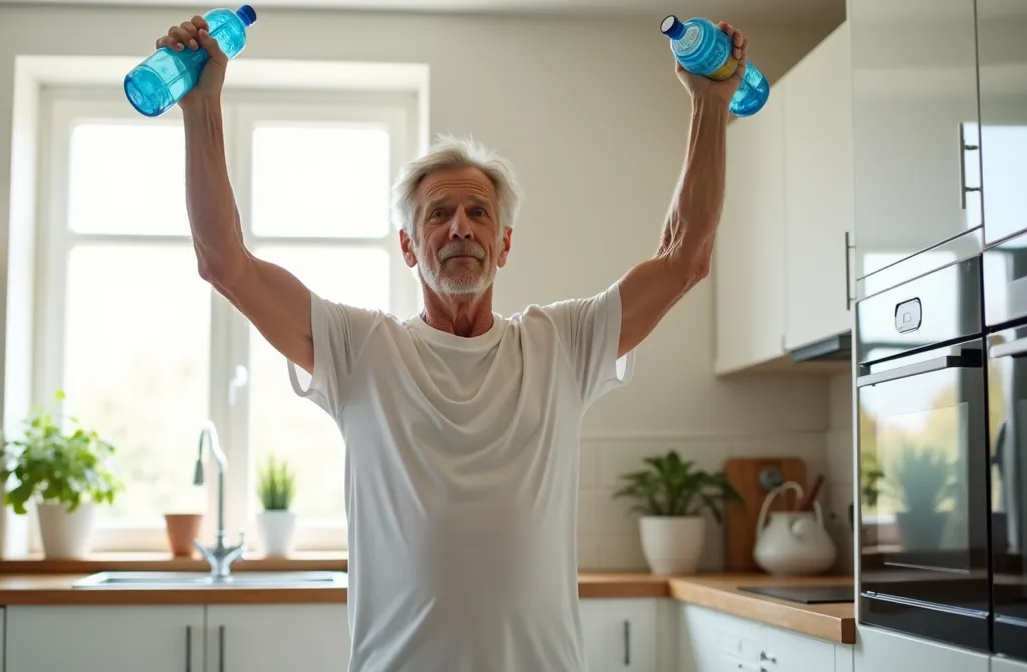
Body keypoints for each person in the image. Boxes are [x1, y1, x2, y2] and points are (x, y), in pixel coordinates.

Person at [160, 15, 747, 672]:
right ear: (410, 246)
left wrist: (709, 104)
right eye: (438, 213)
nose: (460, 228)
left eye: (478, 213)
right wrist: (202, 105)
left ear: (504, 242)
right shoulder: (359, 350)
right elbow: (225, 264)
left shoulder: (563, 344)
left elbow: (684, 258)